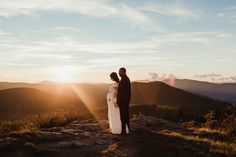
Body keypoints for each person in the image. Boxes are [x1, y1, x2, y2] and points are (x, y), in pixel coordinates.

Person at [117, 67, 131, 135]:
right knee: (125, 115)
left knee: (123, 116)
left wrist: (119, 100)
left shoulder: (125, 79)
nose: (118, 73)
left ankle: (123, 131)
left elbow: (122, 92)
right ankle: (127, 130)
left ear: (123, 72)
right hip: (125, 101)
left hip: (123, 101)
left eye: (119, 71)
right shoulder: (125, 79)